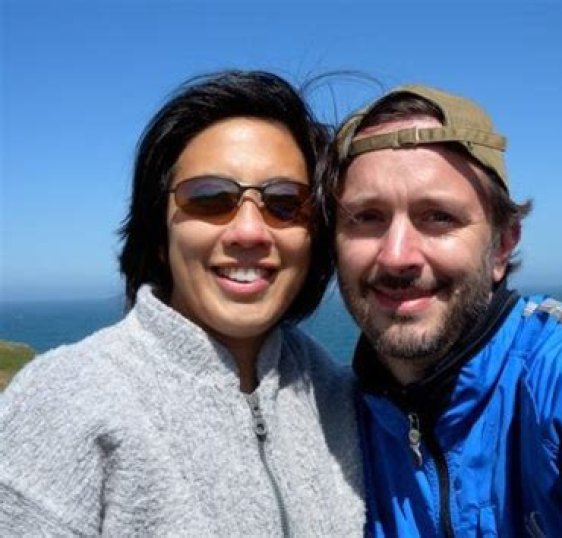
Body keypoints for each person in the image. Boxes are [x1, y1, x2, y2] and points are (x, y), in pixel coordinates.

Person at [324, 84, 562, 537]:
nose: (397, 256)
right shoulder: (331, 425)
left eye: (438, 217)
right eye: (366, 218)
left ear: (502, 246)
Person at [0, 70, 365, 535]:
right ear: (159, 234)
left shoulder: (338, 397)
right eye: (210, 198)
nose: (249, 231)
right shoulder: (66, 400)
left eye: (286, 203)